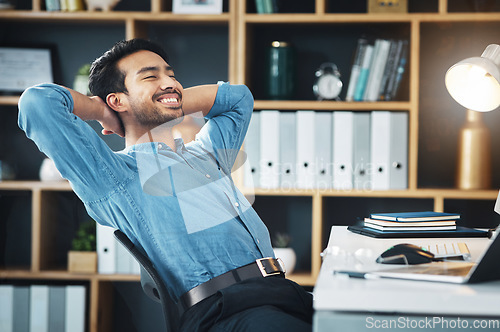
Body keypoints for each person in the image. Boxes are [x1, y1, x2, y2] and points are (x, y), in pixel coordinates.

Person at [18, 38, 313, 331]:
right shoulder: (117, 177)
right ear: (117, 100)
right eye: (151, 76)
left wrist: (168, 101)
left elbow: (239, 99)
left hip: (282, 292)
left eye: (171, 75)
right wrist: (101, 110)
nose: (170, 82)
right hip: (228, 313)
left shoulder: (206, 155)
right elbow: (37, 105)